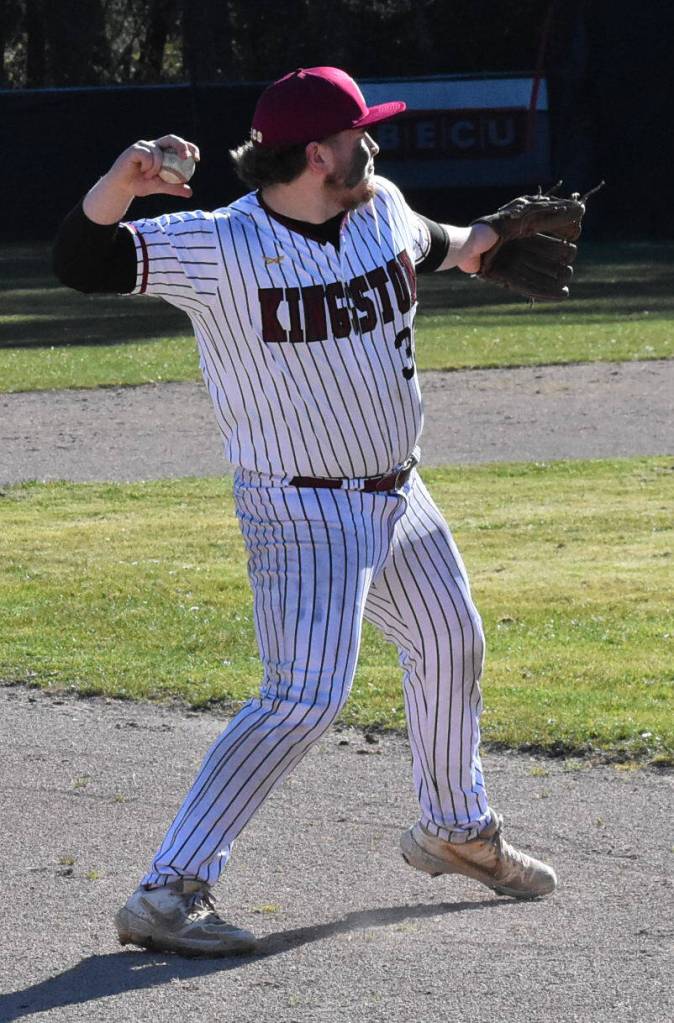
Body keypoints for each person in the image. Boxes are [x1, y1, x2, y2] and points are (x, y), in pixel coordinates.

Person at [53, 66, 557, 958]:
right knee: (303, 696)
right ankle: (169, 889)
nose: (376, 141)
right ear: (319, 152)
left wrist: (490, 236)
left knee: (452, 640)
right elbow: (85, 263)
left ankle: (455, 828)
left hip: (401, 494)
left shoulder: (378, 207)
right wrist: (117, 188)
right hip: (301, 511)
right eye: (363, 131)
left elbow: (436, 241)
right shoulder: (221, 246)